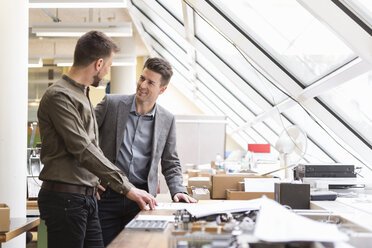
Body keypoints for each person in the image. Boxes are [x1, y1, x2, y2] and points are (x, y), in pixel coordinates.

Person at [37, 31, 157, 248]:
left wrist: (95, 179)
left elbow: (92, 147)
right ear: (99, 63)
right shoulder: (60, 96)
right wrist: (126, 186)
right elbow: (81, 148)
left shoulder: (82, 94)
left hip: (86, 199)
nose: (108, 72)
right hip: (66, 201)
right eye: (109, 66)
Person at [95, 57, 197, 245]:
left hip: (141, 202)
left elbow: (171, 162)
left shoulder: (167, 119)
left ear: (162, 89)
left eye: (150, 82)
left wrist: (178, 190)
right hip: (106, 196)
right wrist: (88, 177)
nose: (142, 84)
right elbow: (82, 139)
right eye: (142, 78)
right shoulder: (112, 104)